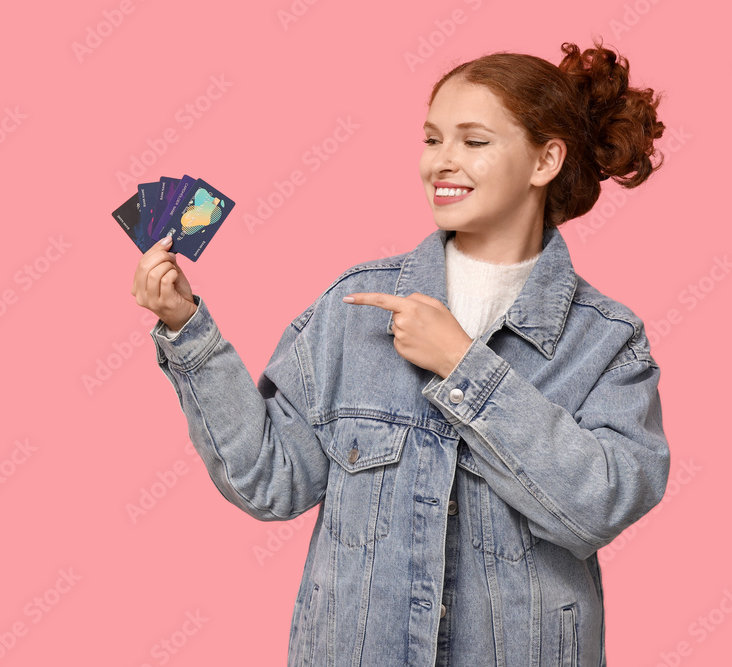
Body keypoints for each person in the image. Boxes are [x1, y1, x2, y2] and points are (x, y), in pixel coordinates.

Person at [130, 37, 670, 666]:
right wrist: (186, 328)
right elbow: (269, 482)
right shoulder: (353, 307)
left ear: (545, 159)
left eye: (473, 141)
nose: (441, 162)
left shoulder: (605, 340)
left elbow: (598, 506)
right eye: (432, 139)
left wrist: (465, 368)